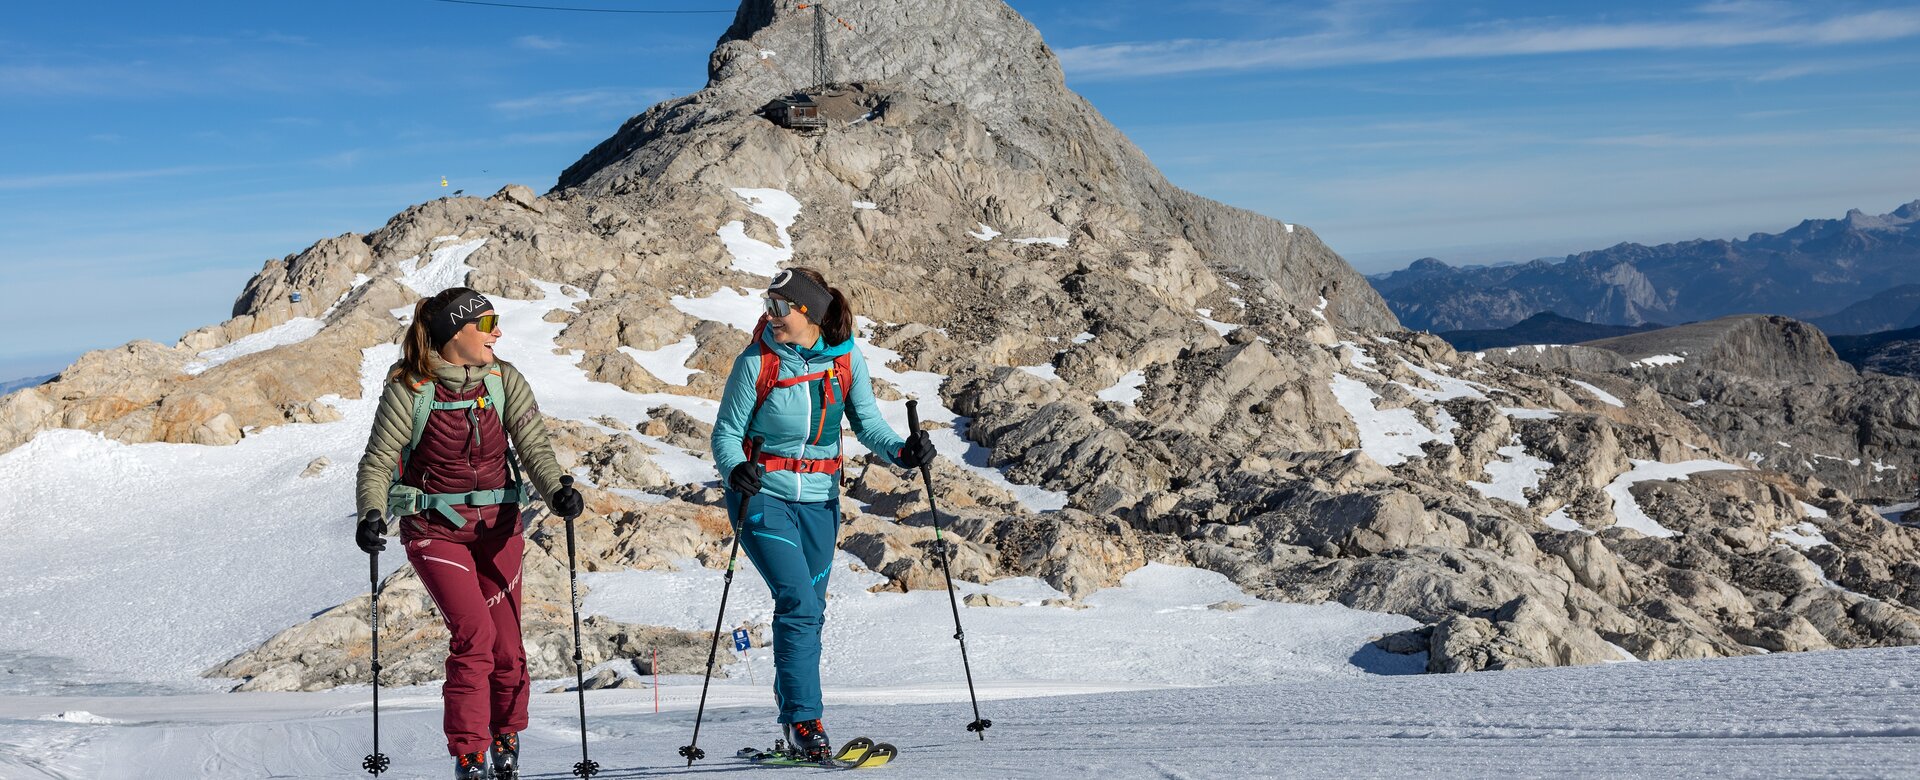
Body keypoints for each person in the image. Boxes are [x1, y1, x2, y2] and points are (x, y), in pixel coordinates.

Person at [354, 286, 583, 780]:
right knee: (474, 636)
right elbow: (377, 462)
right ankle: (469, 752)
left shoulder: (503, 380)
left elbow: (534, 447)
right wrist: (370, 513)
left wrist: (556, 489)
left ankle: (506, 732)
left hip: (501, 528)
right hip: (435, 532)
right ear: (453, 333)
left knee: (508, 647)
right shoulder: (410, 388)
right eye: (485, 323)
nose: (496, 332)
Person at [709, 267, 935, 761]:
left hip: (820, 501)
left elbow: (869, 424)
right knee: (798, 602)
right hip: (762, 495)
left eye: (778, 308)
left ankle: (795, 716)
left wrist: (904, 452)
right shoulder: (757, 361)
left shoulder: (848, 359)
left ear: (807, 313)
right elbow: (726, 433)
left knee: (810, 613)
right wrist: (735, 469)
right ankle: (805, 723)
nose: (769, 316)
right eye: (767, 306)